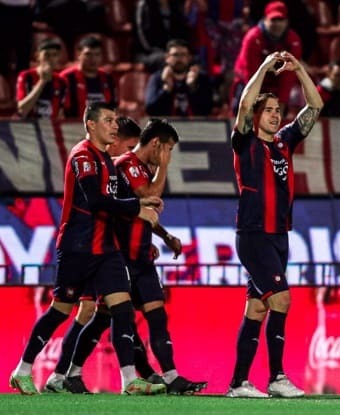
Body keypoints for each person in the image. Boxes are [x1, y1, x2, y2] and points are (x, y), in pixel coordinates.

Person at [9, 102, 166, 396]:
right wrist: (137, 208)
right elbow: (94, 200)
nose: (115, 125)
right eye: (108, 120)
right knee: (60, 311)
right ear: (91, 125)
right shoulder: (82, 155)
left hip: (106, 249)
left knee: (122, 310)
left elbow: (114, 207)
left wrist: (144, 215)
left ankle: (129, 379)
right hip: (78, 247)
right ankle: (23, 370)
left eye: (116, 120)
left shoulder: (106, 160)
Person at [63, 119, 206, 395]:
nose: (168, 156)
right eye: (168, 150)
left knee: (156, 315)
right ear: (156, 144)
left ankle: (171, 376)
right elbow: (150, 196)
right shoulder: (127, 164)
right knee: (106, 318)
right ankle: (72, 372)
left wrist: (164, 236)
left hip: (141, 256)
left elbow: (143, 213)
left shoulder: (139, 168)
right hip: (120, 257)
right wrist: (163, 166)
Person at [225, 50, 323, 398]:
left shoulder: (284, 142)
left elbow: (315, 108)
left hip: (279, 236)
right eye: (268, 110)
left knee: (257, 307)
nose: (275, 115)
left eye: (278, 111)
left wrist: (299, 70)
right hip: (253, 235)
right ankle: (277, 377)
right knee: (281, 300)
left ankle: (238, 383)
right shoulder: (245, 142)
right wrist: (266, 66)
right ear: (255, 116)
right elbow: (244, 102)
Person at [231, 1, 302, 116]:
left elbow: (289, 76)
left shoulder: (293, 40)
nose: (277, 24)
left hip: (275, 83)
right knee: (244, 111)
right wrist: (256, 103)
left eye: (281, 20)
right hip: (249, 81)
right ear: (265, 19)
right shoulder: (253, 38)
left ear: (287, 22)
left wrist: (282, 103)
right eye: (273, 20)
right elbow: (251, 73)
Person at [145, 38, 214, 116]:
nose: (179, 58)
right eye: (175, 55)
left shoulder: (201, 78)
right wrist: (166, 89)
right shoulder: (157, 78)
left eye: (183, 54)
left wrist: (193, 87)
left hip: (195, 126)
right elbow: (150, 110)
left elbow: (207, 110)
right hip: (166, 126)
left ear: (189, 58)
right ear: (167, 58)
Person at [60, 36, 118, 120]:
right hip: (73, 127)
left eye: (97, 54)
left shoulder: (108, 78)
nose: (93, 59)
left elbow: (113, 108)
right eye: (88, 54)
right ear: (79, 54)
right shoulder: (66, 78)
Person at [16, 38, 68, 119]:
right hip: (28, 127)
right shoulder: (26, 76)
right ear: (37, 56)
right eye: (46, 55)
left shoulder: (62, 82)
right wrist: (42, 81)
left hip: (49, 128)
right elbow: (22, 110)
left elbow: (60, 114)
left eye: (54, 55)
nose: (50, 59)